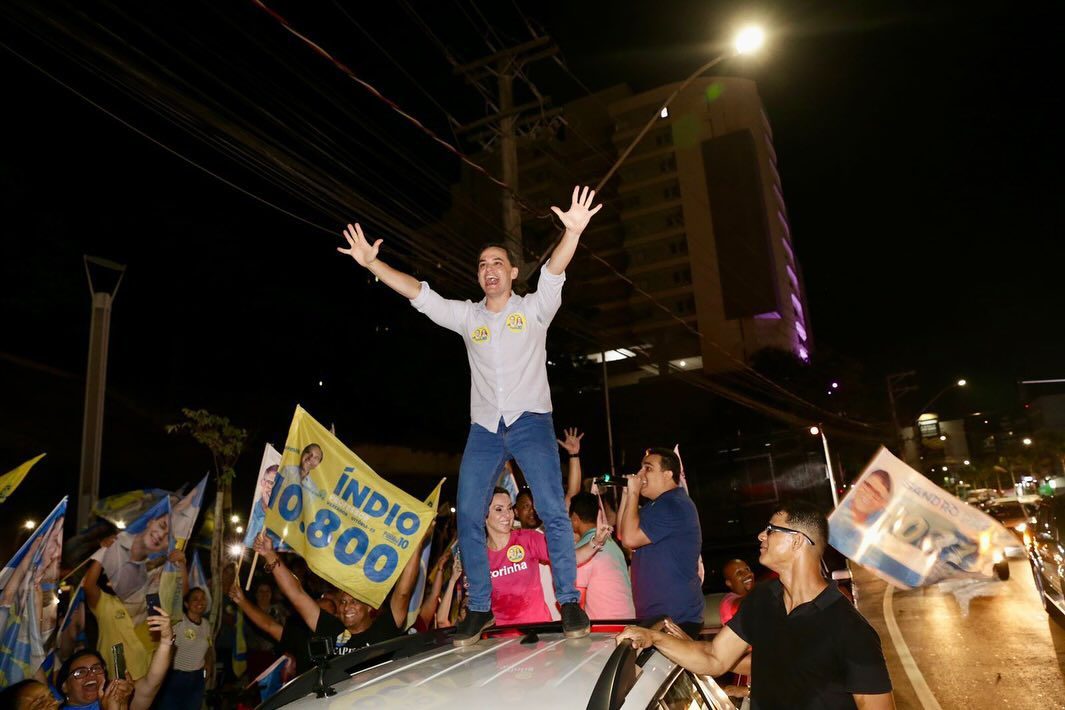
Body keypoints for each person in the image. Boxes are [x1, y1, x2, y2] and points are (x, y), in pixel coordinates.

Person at [337, 185, 603, 645]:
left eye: (497, 262)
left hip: (531, 422)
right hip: (484, 429)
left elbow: (555, 270)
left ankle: (569, 601)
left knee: (552, 512)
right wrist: (372, 264)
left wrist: (573, 232)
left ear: (513, 272)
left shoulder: (534, 310)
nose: (488, 269)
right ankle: (479, 607)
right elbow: (419, 294)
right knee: (468, 517)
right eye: (481, 264)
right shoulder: (467, 317)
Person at [617, 500, 895, 710]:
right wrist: (653, 637)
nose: (761, 535)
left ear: (797, 541)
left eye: (772, 530)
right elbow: (715, 657)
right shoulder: (764, 598)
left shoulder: (850, 629)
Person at [252, 532, 423, 655]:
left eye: (354, 601)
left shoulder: (384, 629)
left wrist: (417, 542)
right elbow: (297, 595)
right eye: (342, 602)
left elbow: (403, 593)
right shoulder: (331, 629)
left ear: (370, 607)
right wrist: (269, 554)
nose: (346, 606)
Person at [478, 488, 611, 635]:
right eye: (499, 509)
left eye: (509, 508)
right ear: (483, 514)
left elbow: (567, 560)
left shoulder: (528, 539)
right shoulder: (478, 557)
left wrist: (596, 542)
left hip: (538, 636)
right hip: (501, 640)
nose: (507, 515)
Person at [616, 448, 704, 637]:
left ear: (668, 474)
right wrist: (626, 494)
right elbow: (624, 535)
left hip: (674, 618)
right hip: (656, 617)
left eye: (648, 468)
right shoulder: (655, 506)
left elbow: (630, 538)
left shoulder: (674, 504)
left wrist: (633, 495)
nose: (640, 474)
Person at [229, 578, 336, 676]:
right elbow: (270, 626)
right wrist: (241, 601)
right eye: (317, 612)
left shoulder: (343, 637)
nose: (320, 617)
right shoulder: (301, 638)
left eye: (325, 614)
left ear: (336, 616)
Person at [57, 637, 173, 710]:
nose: (91, 675)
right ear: (65, 686)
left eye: (97, 669)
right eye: (80, 672)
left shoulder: (115, 698)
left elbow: (151, 683)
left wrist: (165, 642)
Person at [569, 492, 634, 620]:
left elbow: (576, 600)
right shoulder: (613, 544)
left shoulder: (584, 548)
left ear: (575, 518)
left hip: (605, 629)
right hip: (628, 622)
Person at [156, 588, 210, 710]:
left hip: (197, 678)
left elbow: (209, 647)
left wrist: (208, 664)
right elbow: (168, 648)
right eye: (195, 599)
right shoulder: (178, 623)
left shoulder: (206, 624)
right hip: (176, 678)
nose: (200, 601)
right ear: (186, 604)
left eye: (203, 598)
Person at [719, 559, 755, 625]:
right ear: (729, 583)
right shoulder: (728, 601)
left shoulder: (754, 595)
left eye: (747, 569)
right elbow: (745, 605)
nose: (748, 574)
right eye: (739, 573)